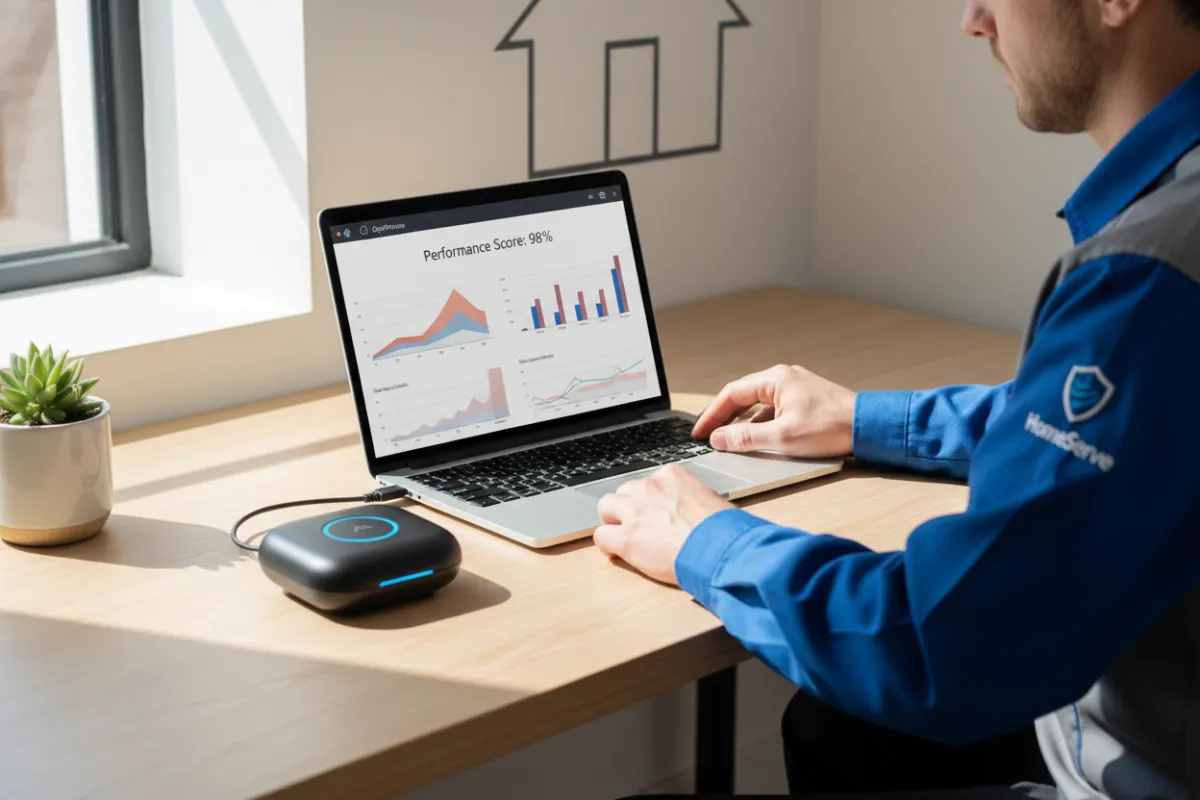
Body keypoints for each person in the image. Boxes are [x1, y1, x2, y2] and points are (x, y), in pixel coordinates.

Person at [593, 0, 1200, 797]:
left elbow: (946, 646)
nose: (974, 19)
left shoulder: (1149, 277)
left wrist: (707, 541)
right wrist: (865, 421)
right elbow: (1139, 431)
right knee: (841, 732)